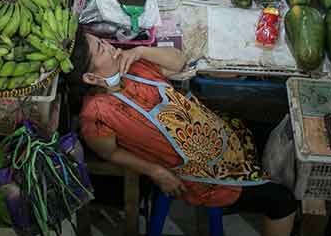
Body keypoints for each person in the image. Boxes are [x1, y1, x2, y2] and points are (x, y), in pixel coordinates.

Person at [68, 30, 296, 236]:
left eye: (102, 41)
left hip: (221, 132)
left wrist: (140, 50)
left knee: (285, 138)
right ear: (91, 77)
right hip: (205, 179)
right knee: (283, 202)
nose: (110, 46)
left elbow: (179, 62)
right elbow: (110, 153)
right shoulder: (96, 114)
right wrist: (155, 171)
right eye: (101, 49)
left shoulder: (132, 65)